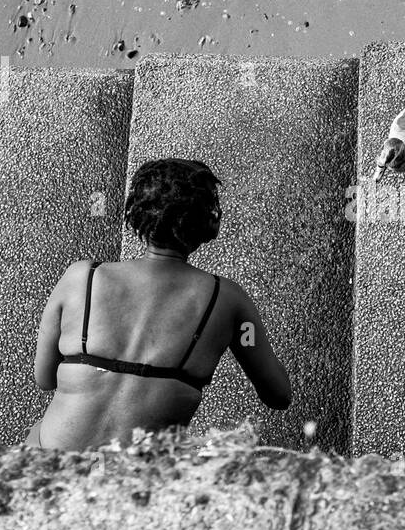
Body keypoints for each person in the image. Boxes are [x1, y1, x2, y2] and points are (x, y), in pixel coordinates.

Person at [26, 158, 291, 450]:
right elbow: (278, 395)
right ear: (209, 221)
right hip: (134, 484)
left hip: (50, 464)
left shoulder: (81, 278)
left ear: (136, 213)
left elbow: (44, 378)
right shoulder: (228, 301)